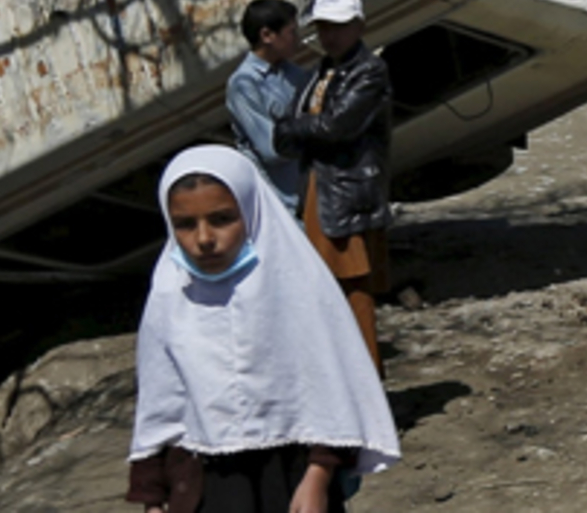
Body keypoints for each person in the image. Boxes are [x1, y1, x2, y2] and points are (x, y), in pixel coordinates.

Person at [127, 146, 400, 513]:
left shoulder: (296, 285)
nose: (204, 238)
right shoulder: (169, 294)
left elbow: (332, 390)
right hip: (205, 483)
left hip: (289, 477)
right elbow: (159, 404)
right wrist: (152, 498)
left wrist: (318, 476)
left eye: (222, 219)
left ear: (252, 211)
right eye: (186, 225)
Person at [275, 0, 395, 376]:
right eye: (324, 28)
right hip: (320, 189)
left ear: (358, 26)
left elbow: (338, 127)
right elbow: (287, 134)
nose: (330, 36)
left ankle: (366, 387)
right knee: (327, 293)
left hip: (345, 194)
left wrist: (299, 128)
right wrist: (304, 129)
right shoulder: (321, 73)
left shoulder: (369, 71)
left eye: (338, 27)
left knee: (353, 291)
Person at [227, 0, 311, 211]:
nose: (297, 40)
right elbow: (272, 149)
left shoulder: (293, 73)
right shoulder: (244, 85)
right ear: (267, 35)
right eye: (291, 32)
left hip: (312, 193)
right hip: (283, 205)